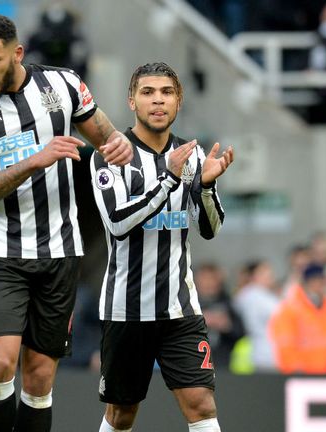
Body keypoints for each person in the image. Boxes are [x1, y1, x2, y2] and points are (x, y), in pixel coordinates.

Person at [0, 14, 133, 432]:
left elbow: (107, 139)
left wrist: (119, 148)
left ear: (17, 53)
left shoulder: (63, 85)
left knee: (40, 376)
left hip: (60, 252)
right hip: (1, 252)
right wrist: (36, 158)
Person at [89, 62, 233, 432]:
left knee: (201, 404)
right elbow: (118, 223)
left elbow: (210, 229)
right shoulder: (110, 155)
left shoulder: (194, 156)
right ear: (132, 101)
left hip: (179, 308)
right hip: (127, 309)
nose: (158, 101)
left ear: (178, 101)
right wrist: (169, 178)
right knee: (122, 414)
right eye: (148, 93)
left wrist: (204, 187)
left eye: (166, 93)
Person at [269, 264, 326, 374]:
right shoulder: (291, 307)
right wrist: (293, 368)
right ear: (306, 283)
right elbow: (285, 341)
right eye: (315, 281)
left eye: (322, 281)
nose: (319, 285)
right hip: (303, 372)